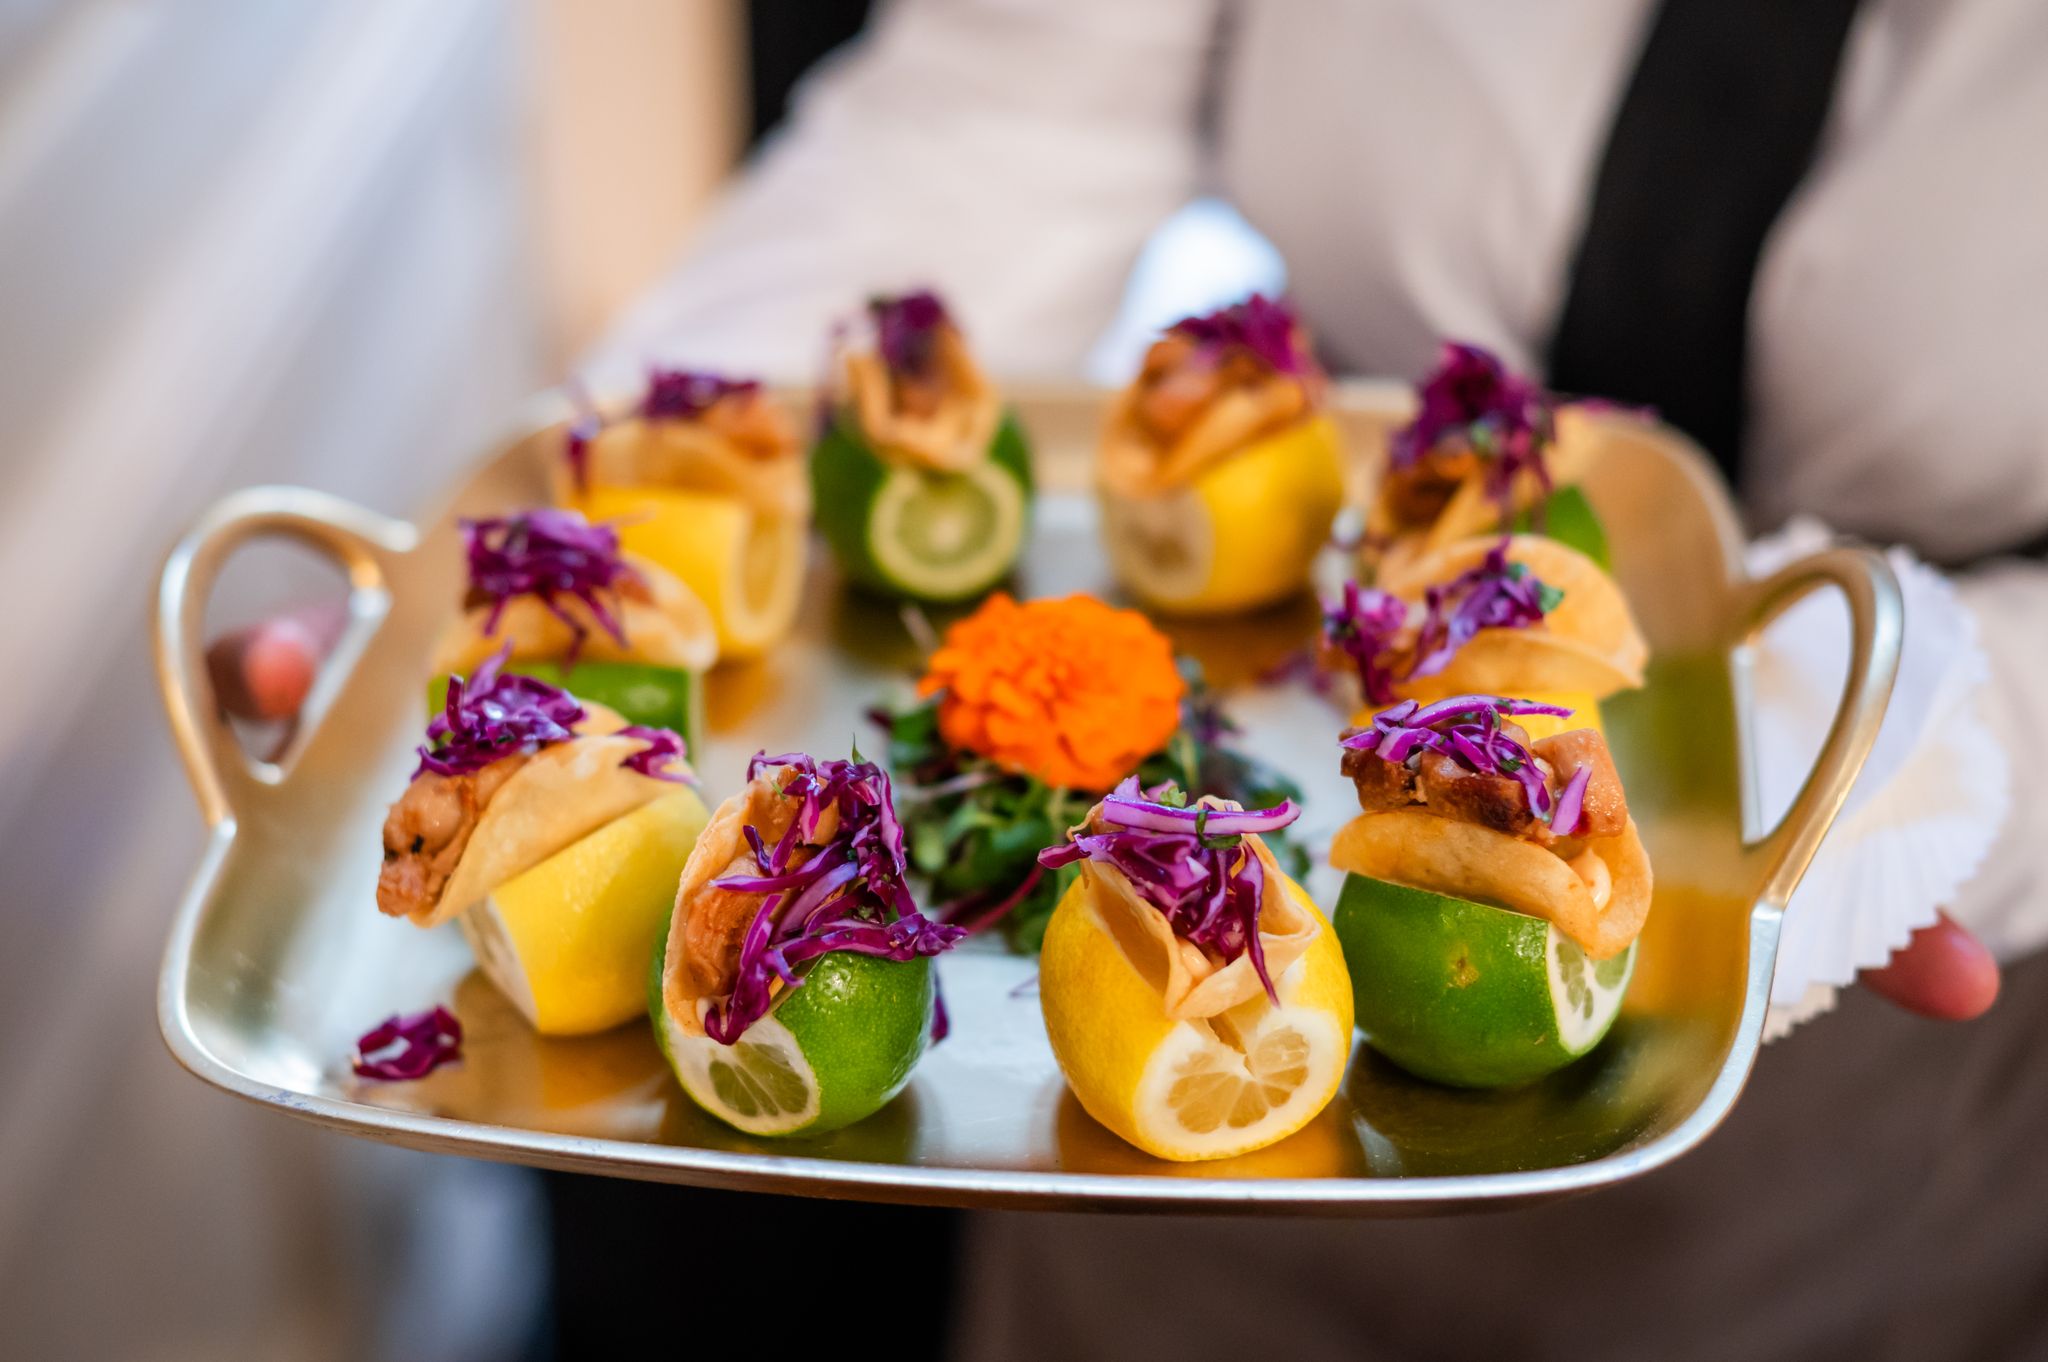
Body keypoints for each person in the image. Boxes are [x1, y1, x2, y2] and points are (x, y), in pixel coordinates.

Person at [215, 0, 2047, 1357]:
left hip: (1865, 1144)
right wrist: (608, 523)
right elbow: (1013, 97)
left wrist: (1905, 761)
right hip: (1181, 1047)